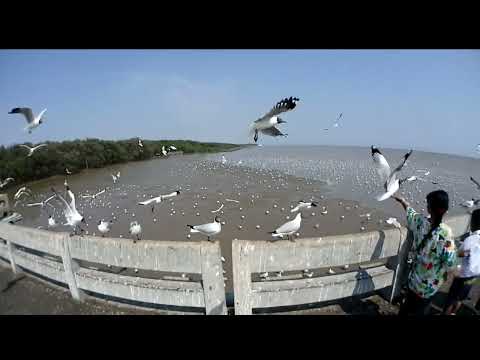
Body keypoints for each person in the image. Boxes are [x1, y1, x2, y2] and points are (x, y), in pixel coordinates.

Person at [393, 190, 457, 315]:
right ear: (445, 210)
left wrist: (403, 201)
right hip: (429, 288)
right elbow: (450, 263)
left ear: (429, 208)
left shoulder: (420, 223)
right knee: (420, 311)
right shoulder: (446, 234)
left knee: (406, 309)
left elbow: (411, 213)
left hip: (414, 282)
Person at [443, 209, 480, 315]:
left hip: (463, 276)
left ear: (473, 222)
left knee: (451, 298)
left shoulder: (472, 239)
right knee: (460, 298)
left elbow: (460, 253)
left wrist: (452, 247)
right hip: (474, 276)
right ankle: (453, 313)